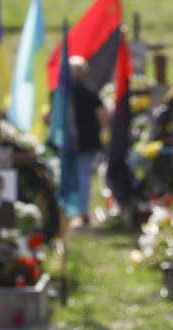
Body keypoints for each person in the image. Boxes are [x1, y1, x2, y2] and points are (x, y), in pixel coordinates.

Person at [69, 56, 109, 227]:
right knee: (84, 176)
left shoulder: (63, 96)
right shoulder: (90, 94)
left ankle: (72, 212)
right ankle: (82, 211)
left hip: (69, 141)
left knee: (73, 177)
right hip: (88, 140)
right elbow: (103, 117)